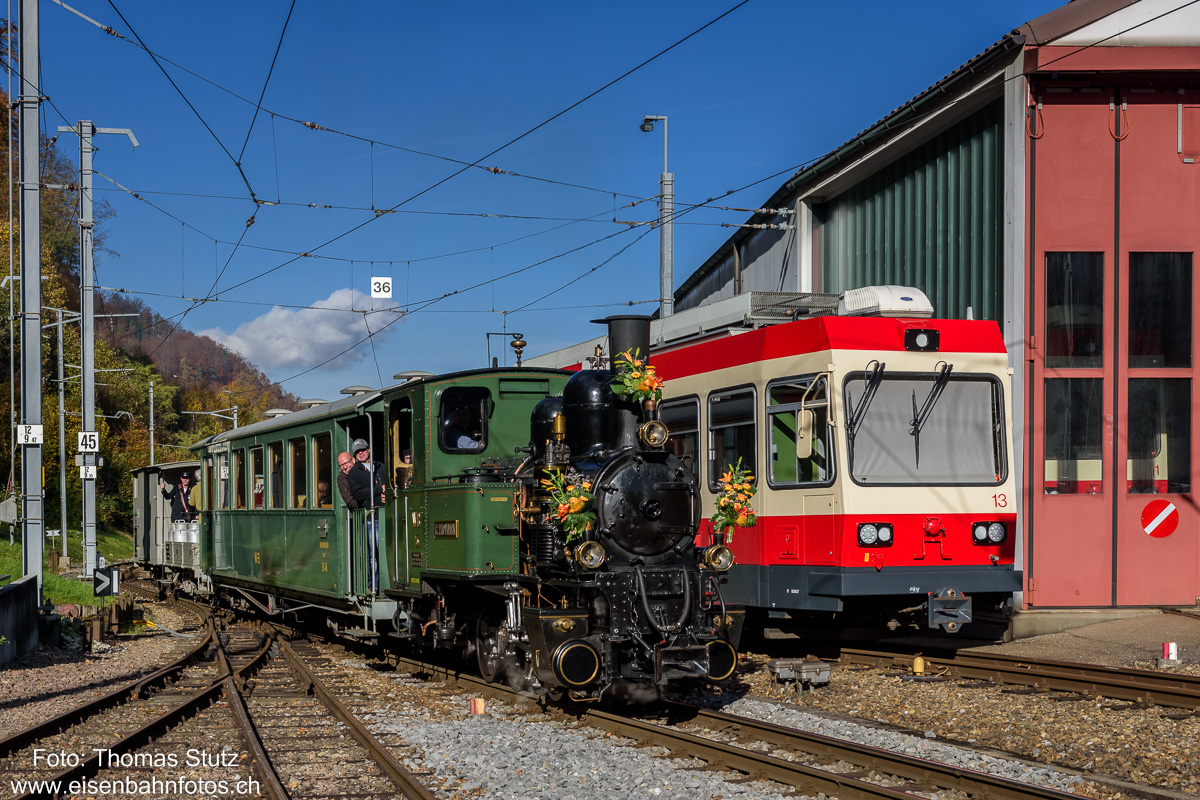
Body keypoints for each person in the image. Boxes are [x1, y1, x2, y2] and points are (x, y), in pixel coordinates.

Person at [347, 439, 387, 592]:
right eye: (357, 451)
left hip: (387, 516)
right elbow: (358, 494)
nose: (360, 453)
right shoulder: (354, 473)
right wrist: (379, 490)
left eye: (362, 449)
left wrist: (386, 495)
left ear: (369, 449)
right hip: (372, 519)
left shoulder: (381, 466)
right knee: (374, 554)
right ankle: (375, 586)